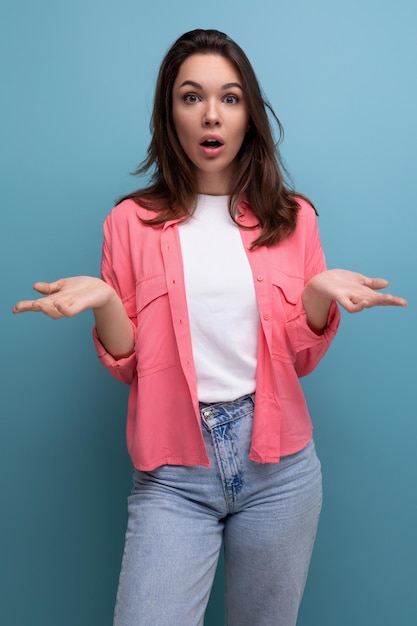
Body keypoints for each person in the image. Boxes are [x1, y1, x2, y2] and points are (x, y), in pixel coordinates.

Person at [13, 28, 407, 626]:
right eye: (191, 96)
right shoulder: (128, 223)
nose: (210, 115)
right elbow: (130, 364)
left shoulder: (294, 219)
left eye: (230, 97)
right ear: (169, 112)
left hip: (280, 471)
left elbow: (299, 359)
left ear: (249, 111)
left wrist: (318, 298)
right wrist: (103, 303)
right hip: (174, 472)